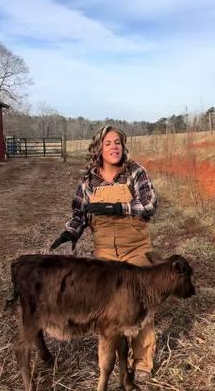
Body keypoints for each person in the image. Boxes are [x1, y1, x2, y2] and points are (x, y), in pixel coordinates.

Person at [51, 125, 157, 382]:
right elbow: (80, 213)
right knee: (109, 314)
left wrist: (121, 208)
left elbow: (150, 205)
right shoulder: (88, 180)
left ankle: (142, 362)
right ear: (99, 147)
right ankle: (112, 363)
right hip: (106, 256)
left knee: (141, 309)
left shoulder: (135, 172)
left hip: (136, 251)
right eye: (108, 142)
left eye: (118, 142)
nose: (114, 147)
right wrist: (70, 232)